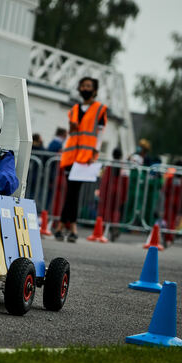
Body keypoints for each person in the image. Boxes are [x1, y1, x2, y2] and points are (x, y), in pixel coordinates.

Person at [54, 77, 107, 242]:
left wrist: (94, 153)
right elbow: (72, 131)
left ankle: (65, 226)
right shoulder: (74, 109)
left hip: (85, 157)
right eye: (83, 85)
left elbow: (100, 134)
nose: (85, 88)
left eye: (89, 86)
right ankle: (68, 227)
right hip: (70, 155)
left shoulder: (100, 109)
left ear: (95, 90)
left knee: (73, 193)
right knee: (71, 192)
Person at [97, 147, 128, 241]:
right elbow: (125, 183)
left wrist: (101, 193)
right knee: (115, 211)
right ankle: (114, 228)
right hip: (118, 192)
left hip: (108, 191)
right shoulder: (123, 168)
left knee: (105, 211)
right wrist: (124, 196)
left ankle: (101, 231)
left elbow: (105, 181)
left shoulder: (109, 167)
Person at [162, 160, 182, 244]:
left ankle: (168, 237)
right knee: (173, 221)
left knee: (168, 220)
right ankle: (169, 237)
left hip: (170, 202)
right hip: (178, 203)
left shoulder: (170, 178)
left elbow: (165, 190)